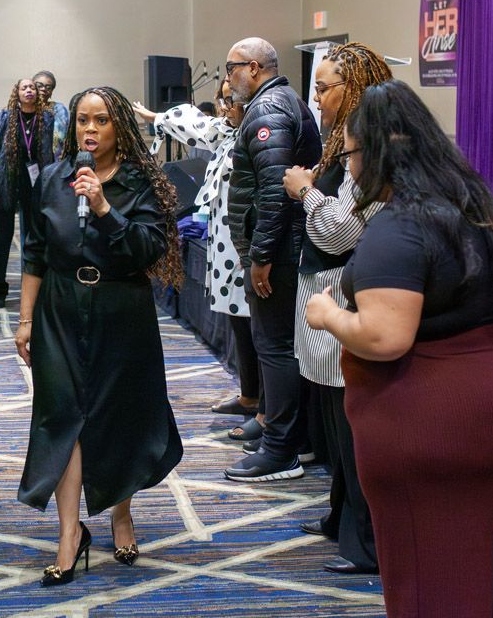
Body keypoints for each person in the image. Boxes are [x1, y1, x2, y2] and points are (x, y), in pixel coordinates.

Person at [306, 79, 493, 617]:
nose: (349, 168)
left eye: (349, 155)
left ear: (374, 153)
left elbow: (384, 338)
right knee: (460, 567)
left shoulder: (399, 227)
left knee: (424, 582)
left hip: (434, 418)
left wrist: (328, 314)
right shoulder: (464, 204)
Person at [16, 86, 184, 586]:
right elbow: (35, 253)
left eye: (102, 120)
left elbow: (147, 250)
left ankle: (121, 513)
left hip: (121, 309)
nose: (90, 129)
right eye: (83, 120)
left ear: (120, 128)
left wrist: (105, 207)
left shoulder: (139, 182)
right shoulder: (53, 178)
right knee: (61, 415)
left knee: (119, 414)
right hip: (59, 310)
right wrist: (25, 321)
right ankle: (70, 533)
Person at [280, 42, 390, 576]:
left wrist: (305, 191)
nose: (317, 98)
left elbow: (341, 230)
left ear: (354, 89)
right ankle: (339, 518)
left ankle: (365, 542)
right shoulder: (342, 139)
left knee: (352, 433)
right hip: (324, 293)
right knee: (335, 429)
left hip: (343, 296)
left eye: (324, 89)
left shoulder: (368, 145)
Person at [222, 37, 321, 483]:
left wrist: (261, 255)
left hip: (279, 251)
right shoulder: (274, 103)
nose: (227, 79)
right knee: (279, 344)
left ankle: (281, 450)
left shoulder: (267, 109)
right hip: (283, 246)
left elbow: (274, 192)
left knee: (275, 345)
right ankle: (289, 436)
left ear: (254, 67)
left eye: (231, 68)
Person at [132, 81, 258, 426]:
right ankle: (249, 395)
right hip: (227, 245)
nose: (223, 107)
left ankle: (264, 409)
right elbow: (196, 125)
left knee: (255, 328)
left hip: (249, 247)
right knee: (238, 323)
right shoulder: (226, 132)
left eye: (229, 99)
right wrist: (156, 117)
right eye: (221, 100)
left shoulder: (255, 131)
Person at [0, 78, 55, 308]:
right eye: (24, 88)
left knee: (33, 238)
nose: (29, 91)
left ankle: (33, 286)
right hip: (7, 179)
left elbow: (49, 152)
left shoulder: (46, 118)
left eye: (32, 87)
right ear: (17, 93)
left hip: (34, 182)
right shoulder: (8, 116)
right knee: (3, 238)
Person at [32, 70, 67, 158]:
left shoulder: (58, 109)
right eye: (39, 86)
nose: (44, 89)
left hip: (52, 159)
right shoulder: (22, 109)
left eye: (48, 87)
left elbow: (63, 138)